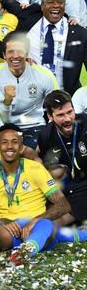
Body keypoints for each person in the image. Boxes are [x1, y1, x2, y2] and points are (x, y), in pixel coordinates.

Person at [0, 123, 72, 265]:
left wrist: (35, 220)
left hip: (36, 229)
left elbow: (63, 205)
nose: (9, 146)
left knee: (46, 223)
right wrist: (3, 221)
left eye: (14, 142)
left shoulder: (35, 168)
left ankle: (25, 251)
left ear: (21, 147)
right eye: (4, 142)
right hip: (9, 232)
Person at [2, 0, 87, 94]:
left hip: (66, 97)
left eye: (60, 2)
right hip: (31, 95)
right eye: (50, 2)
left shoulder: (79, 33)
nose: (56, 5)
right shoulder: (30, 18)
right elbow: (5, 1)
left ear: (64, 6)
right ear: (42, 6)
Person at [0, 33, 58, 148]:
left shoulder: (44, 75)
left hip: (36, 125)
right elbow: (2, 119)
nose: (15, 56)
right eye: (10, 52)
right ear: (4, 55)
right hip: (8, 128)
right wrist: (7, 101)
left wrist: (49, 135)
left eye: (20, 51)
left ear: (27, 53)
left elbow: (56, 108)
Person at [38, 90, 87, 226]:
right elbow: (49, 168)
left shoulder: (85, 124)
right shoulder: (46, 135)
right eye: (60, 115)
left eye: (70, 112)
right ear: (50, 116)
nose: (67, 119)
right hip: (68, 188)